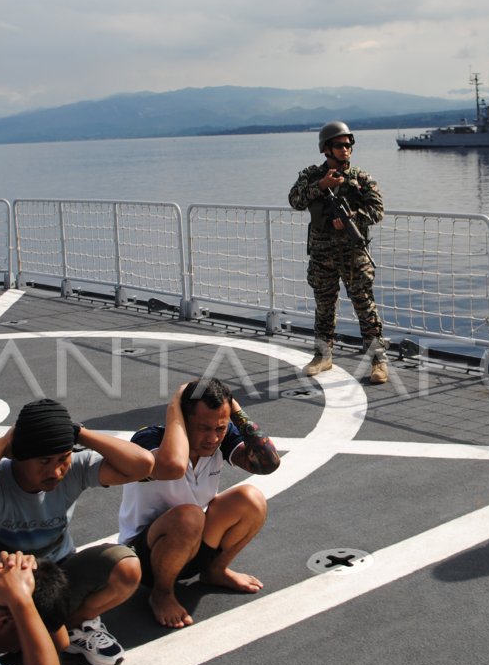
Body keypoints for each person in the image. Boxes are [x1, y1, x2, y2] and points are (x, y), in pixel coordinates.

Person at [0, 398, 154, 665]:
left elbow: (143, 464)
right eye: (43, 461)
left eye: (62, 459)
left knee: (127, 566)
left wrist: (79, 433)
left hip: (55, 575)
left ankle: (76, 623)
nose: (55, 471)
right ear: (17, 455)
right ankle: (8, 640)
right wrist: (0, 445)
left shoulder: (75, 467)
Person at [118, 379, 280, 628]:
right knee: (190, 516)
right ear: (183, 419)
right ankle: (162, 593)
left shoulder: (218, 440)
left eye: (220, 428)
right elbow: (172, 466)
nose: (212, 438)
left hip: (192, 545)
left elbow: (268, 462)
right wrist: (174, 405)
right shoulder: (147, 439)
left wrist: (233, 408)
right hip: (144, 559)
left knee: (252, 499)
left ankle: (215, 571)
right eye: (203, 428)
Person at [288, 120, 390, 385]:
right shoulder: (311, 176)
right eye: (339, 145)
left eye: (349, 145)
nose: (346, 150)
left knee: (365, 307)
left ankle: (378, 361)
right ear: (326, 149)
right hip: (322, 255)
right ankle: (323, 356)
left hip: (353, 256)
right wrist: (320, 186)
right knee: (324, 307)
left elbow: (378, 211)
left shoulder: (361, 178)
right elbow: (295, 200)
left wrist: (353, 218)